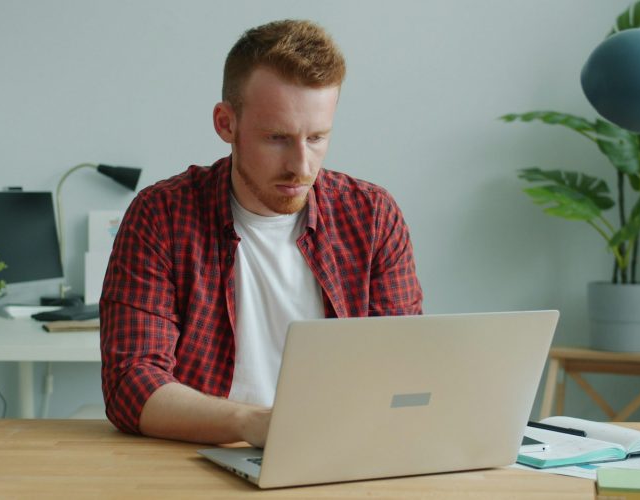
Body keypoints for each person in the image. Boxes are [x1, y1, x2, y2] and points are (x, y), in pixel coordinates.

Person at [100, 19, 423, 447]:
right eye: (277, 138)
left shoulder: (373, 216)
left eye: (317, 138)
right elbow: (131, 383)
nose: (301, 166)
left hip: (340, 452)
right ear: (225, 124)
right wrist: (252, 424)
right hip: (198, 458)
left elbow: (400, 366)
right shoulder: (161, 216)